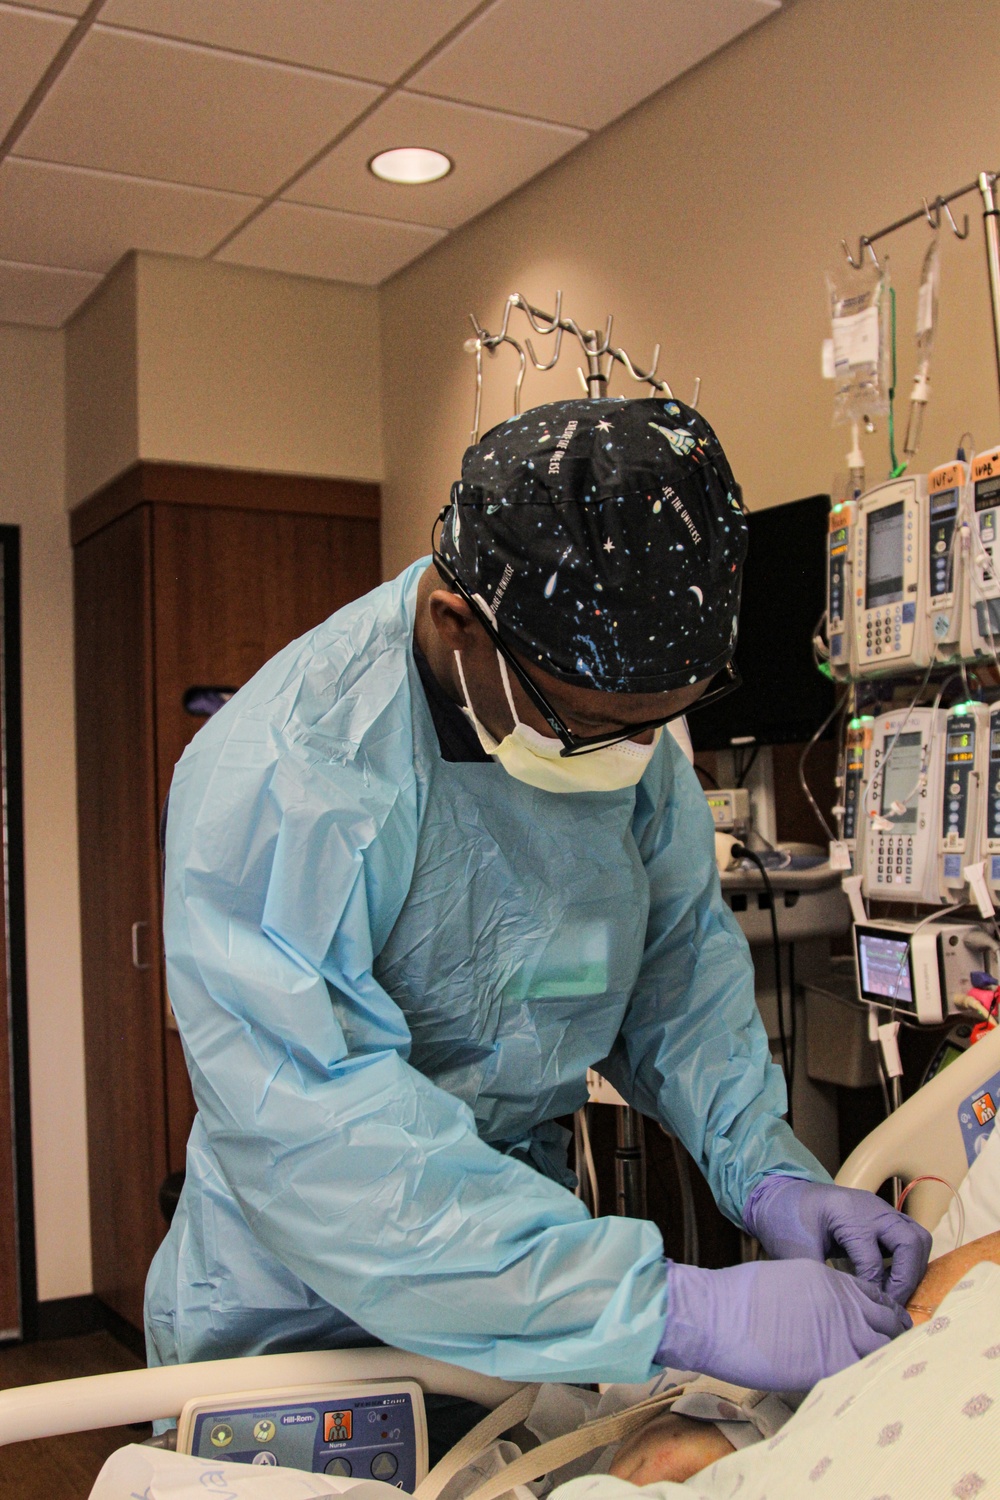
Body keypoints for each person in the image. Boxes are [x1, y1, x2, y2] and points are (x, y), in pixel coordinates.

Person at [145, 397, 928, 1395]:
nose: (642, 757)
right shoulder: (283, 779)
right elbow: (321, 1138)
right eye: (605, 727)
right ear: (456, 624)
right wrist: (662, 1307)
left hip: (533, 1275)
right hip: (301, 1302)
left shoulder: (612, 713)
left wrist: (761, 1163)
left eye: (666, 721)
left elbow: (675, 968)